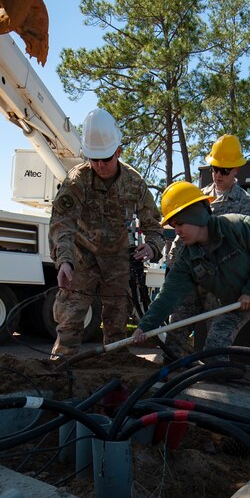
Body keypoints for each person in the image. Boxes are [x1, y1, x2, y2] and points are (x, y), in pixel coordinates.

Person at [131, 181, 250, 386]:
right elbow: (169, 294)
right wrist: (145, 327)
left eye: (180, 224)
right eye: (174, 226)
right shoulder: (187, 256)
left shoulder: (237, 226)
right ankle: (226, 390)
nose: (177, 231)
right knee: (215, 347)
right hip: (237, 299)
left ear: (195, 215)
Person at [48, 108, 164, 359]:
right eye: (94, 159)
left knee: (117, 326)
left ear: (119, 152)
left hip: (118, 262)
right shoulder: (77, 180)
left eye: (106, 159)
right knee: (70, 320)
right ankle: (60, 372)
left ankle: (115, 377)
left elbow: (154, 226)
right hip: (82, 258)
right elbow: (62, 224)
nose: (99, 165)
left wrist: (152, 247)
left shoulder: (134, 183)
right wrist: (64, 261)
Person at [165, 135, 250, 357]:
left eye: (224, 170)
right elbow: (181, 233)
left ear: (236, 169)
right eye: (214, 168)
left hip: (219, 284)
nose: (217, 175)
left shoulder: (244, 204)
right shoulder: (198, 197)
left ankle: (214, 378)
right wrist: (172, 264)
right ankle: (167, 380)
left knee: (216, 346)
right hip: (192, 278)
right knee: (174, 332)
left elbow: (248, 247)